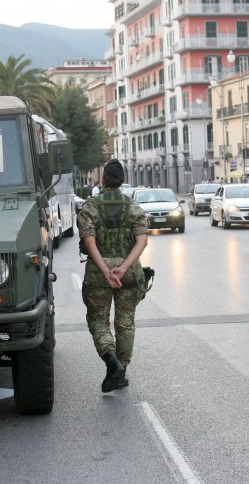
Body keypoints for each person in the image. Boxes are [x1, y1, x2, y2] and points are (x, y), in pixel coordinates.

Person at [77, 160, 149, 393]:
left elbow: (89, 244)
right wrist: (123, 267)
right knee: (125, 322)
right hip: (129, 273)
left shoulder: (90, 207)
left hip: (99, 273)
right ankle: (121, 371)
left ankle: (112, 361)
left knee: (98, 319)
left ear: (104, 180)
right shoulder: (134, 206)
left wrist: (106, 271)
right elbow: (142, 241)